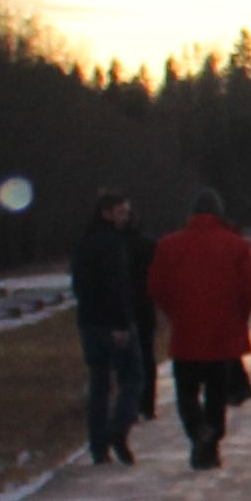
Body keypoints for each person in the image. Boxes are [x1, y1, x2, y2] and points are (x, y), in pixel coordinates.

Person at [148, 185, 251, 471]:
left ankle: (197, 431)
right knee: (216, 394)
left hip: (186, 333)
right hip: (222, 335)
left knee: (186, 392)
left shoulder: (168, 245)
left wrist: (175, 312)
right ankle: (210, 447)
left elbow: (156, 287)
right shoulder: (236, 245)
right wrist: (239, 316)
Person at [69, 188, 158, 465]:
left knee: (99, 384)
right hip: (114, 323)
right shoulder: (112, 244)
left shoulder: (84, 243)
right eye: (121, 211)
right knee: (133, 378)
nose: (126, 216)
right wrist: (120, 323)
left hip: (88, 322)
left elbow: (79, 287)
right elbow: (117, 287)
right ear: (106, 213)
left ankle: (98, 448)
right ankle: (118, 429)